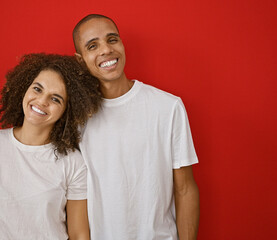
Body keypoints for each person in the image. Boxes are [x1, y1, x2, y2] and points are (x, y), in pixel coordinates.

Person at [72, 14, 200, 240]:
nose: (106, 50)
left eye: (112, 40)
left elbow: (185, 189)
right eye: (93, 45)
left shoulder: (168, 107)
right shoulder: (76, 119)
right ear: (81, 60)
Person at [0, 53, 102, 240]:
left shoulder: (73, 162)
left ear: (67, 111)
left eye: (56, 99)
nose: (42, 101)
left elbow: (78, 233)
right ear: (24, 89)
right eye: (38, 89)